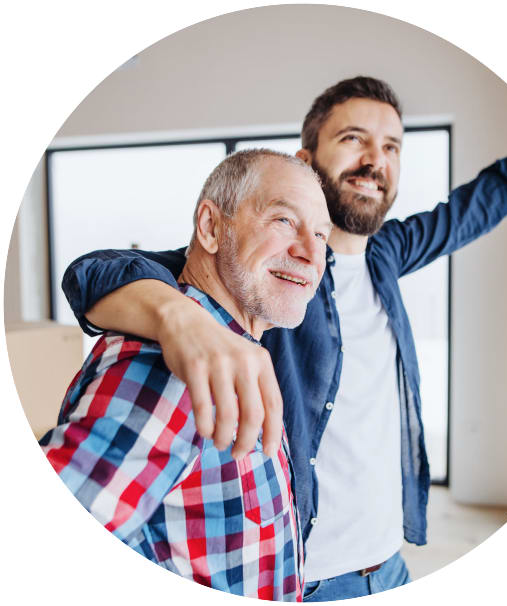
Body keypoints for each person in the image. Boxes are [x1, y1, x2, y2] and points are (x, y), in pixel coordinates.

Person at [61, 76, 507, 600]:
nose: (376, 160)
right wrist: (178, 319)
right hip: (313, 579)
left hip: (389, 563)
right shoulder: (258, 278)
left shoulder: (385, 257)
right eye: (354, 139)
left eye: (391, 146)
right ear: (306, 159)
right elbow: (95, 272)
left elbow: (482, 202)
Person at [41, 149, 332, 600]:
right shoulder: (172, 370)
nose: (313, 253)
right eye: (283, 221)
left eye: (320, 233)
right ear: (211, 227)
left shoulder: (241, 344)